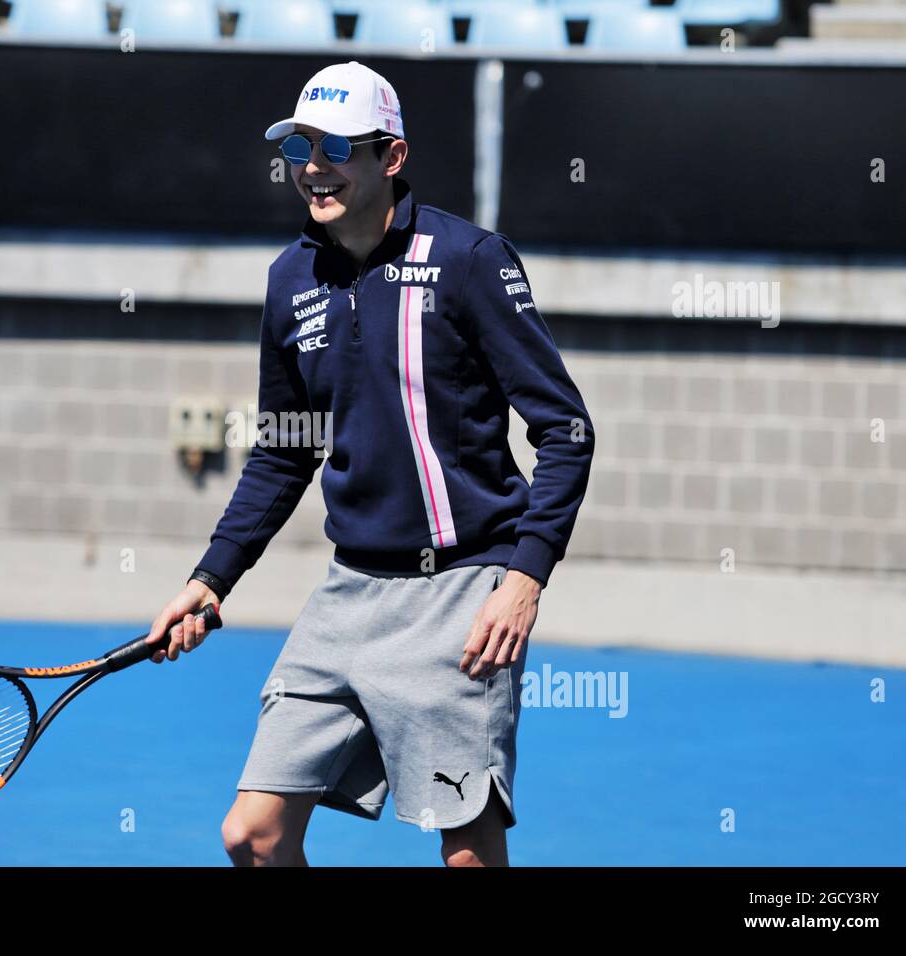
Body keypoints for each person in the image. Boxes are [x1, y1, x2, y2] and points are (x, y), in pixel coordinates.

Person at [145, 61, 594, 867]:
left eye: (335, 147)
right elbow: (285, 451)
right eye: (298, 147)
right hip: (346, 597)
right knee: (252, 836)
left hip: (464, 594)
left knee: (465, 851)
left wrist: (523, 580)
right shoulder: (290, 282)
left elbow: (565, 431)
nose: (312, 166)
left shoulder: (471, 260)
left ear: (391, 157)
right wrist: (209, 579)